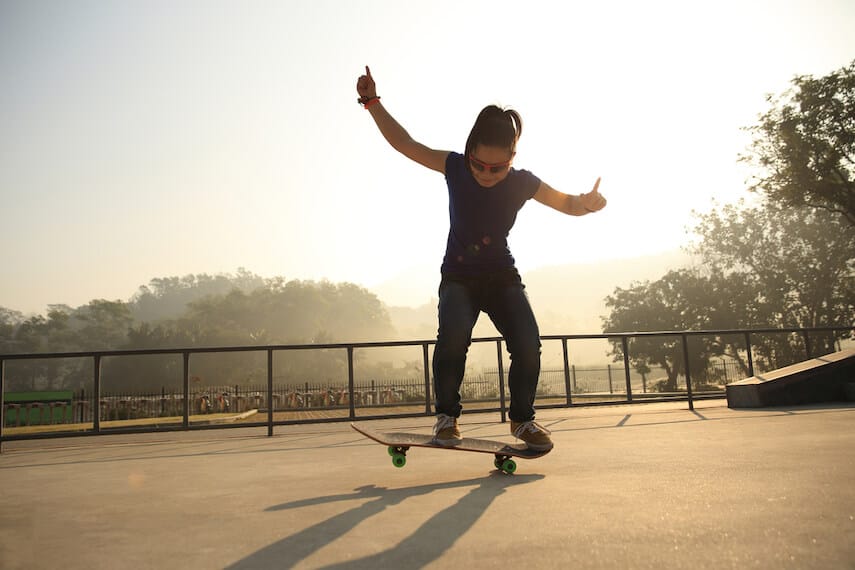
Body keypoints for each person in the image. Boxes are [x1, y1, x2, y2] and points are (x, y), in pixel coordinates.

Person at [356, 66, 606, 450]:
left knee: (527, 343)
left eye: (498, 168)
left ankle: (523, 421)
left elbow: (567, 203)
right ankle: (446, 418)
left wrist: (586, 205)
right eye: (479, 165)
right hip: (458, 275)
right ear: (469, 152)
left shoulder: (523, 182)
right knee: (453, 339)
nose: (487, 174)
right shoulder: (454, 167)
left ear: (512, 157)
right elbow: (406, 144)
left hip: (501, 275)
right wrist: (372, 103)